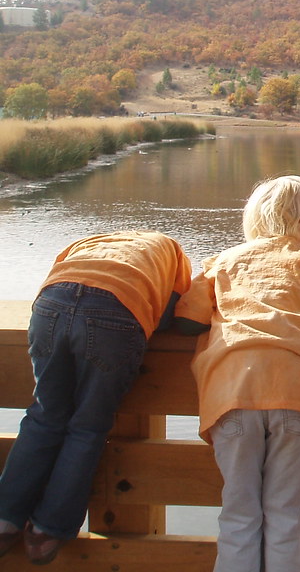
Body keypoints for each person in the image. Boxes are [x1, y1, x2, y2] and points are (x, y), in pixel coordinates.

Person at [175, 175, 300, 572]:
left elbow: (186, 319)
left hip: (230, 396)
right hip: (296, 395)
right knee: (284, 516)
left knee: (238, 514)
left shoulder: (224, 261)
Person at [0, 231, 192, 565]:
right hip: (115, 313)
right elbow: (169, 314)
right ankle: (47, 531)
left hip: (51, 305)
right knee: (87, 427)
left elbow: (58, 279)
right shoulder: (173, 253)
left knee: (44, 415)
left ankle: (4, 520)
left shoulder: (88, 242)